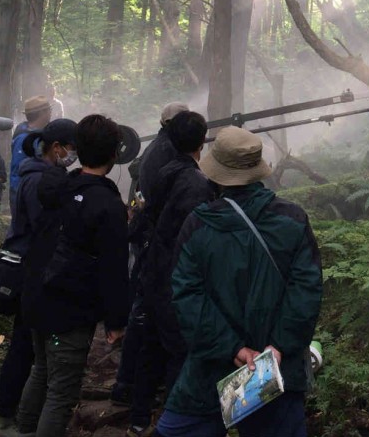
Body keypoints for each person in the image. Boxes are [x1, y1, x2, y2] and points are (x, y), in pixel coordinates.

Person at [152, 126, 322, 437]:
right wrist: (279, 347)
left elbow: (187, 297)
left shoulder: (198, 225)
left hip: (210, 370)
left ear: (214, 172)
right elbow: (306, 293)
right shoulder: (293, 220)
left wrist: (234, 349)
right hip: (275, 371)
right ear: (258, 170)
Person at [17, 114, 129, 437]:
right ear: (114, 155)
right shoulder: (107, 206)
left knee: (40, 370)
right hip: (67, 310)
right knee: (61, 393)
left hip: (37, 294)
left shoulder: (56, 186)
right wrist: (116, 321)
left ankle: (22, 430)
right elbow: (114, 268)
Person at [127, 111, 215, 435]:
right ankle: (173, 423)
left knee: (151, 345)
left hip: (153, 267)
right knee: (177, 349)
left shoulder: (165, 169)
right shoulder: (196, 183)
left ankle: (138, 418)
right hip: (173, 275)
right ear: (201, 140)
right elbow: (191, 236)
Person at [0, 119, 78, 437]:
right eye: (72, 149)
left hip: (32, 270)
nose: (74, 156)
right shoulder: (40, 181)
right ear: (56, 148)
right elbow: (46, 230)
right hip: (31, 272)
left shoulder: (35, 173)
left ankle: (17, 416)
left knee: (28, 346)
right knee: (24, 347)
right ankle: (6, 419)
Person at [111, 101, 190, 408]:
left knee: (145, 312)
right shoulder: (166, 153)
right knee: (147, 314)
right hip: (156, 243)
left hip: (151, 238)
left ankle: (130, 384)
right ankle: (131, 385)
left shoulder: (160, 147)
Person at [9, 95, 54, 215]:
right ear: (42, 113)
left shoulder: (40, 133)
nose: (51, 113)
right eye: (49, 110)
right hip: (23, 192)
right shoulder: (23, 138)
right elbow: (18, 169)